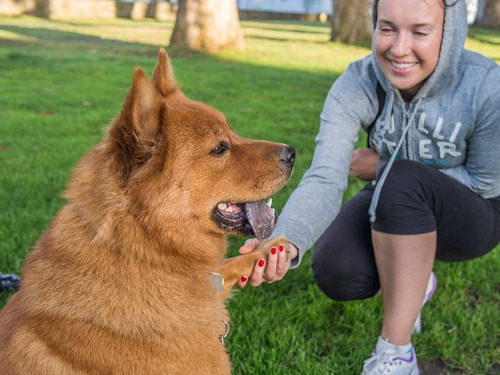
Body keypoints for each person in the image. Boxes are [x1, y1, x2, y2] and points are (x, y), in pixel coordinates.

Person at [238, 0, 500, 373]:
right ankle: (417, 281)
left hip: (475, 216)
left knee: (401, 180)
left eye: (420, 32)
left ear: (450, 31)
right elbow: (326, 176)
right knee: (336, 269)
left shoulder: (486, 85)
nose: (398, 48)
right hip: (393, 200)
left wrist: (382, 167)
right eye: (387, 27)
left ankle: (397, 353)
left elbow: (485, 182)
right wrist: (284, 240)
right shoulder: (357, 83)